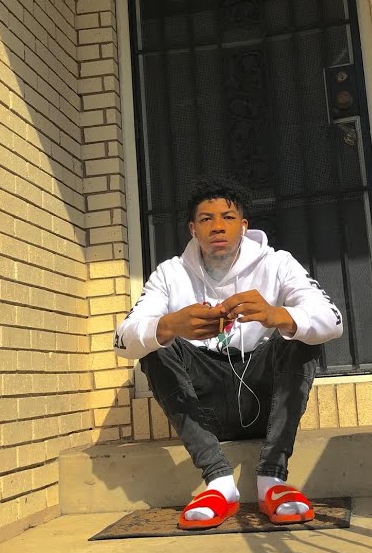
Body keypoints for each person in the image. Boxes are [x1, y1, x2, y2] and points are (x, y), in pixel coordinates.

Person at [113, 176, 344, 529]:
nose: (217, 226)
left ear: (244, 225)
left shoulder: (278, 263)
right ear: (193, 229)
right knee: (156, 343)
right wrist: (170, 325)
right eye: (206, 219)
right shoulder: (170, 273)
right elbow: (122, 340)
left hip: (261, 399)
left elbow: (332, 319)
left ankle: (272, 479)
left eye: (228, 217)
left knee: (299, 334)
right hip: (205, 406)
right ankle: (219, 482)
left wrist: (277, 315)